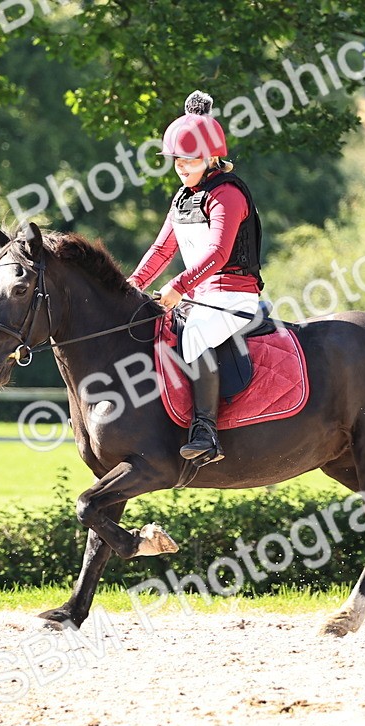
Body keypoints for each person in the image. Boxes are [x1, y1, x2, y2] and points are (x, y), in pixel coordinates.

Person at [127, 90, 265, 466]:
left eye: (190, 159)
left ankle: (206, 432)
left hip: (234, 295)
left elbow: (218, 254)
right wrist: (130, 287)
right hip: (198, 293)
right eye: (178, 160)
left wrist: (176, 287)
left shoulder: (227, 195)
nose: (182, 166)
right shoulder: (183, 198)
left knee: (197, 330)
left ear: (211, 156)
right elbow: (161, 251)